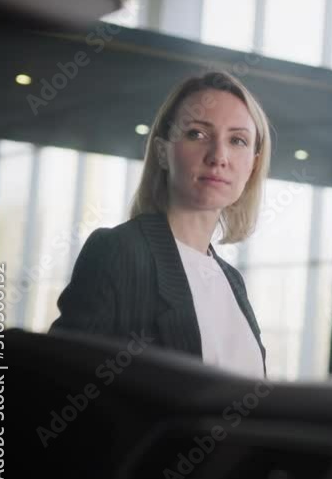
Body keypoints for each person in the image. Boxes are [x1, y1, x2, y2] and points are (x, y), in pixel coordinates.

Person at [50, 71, 272, 379]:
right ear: (162, 152)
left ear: (254, 164)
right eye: (197, 133)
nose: (219, 156)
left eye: (238, 140)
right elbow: (57, 384)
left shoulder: (231, 280)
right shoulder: (119, 252)